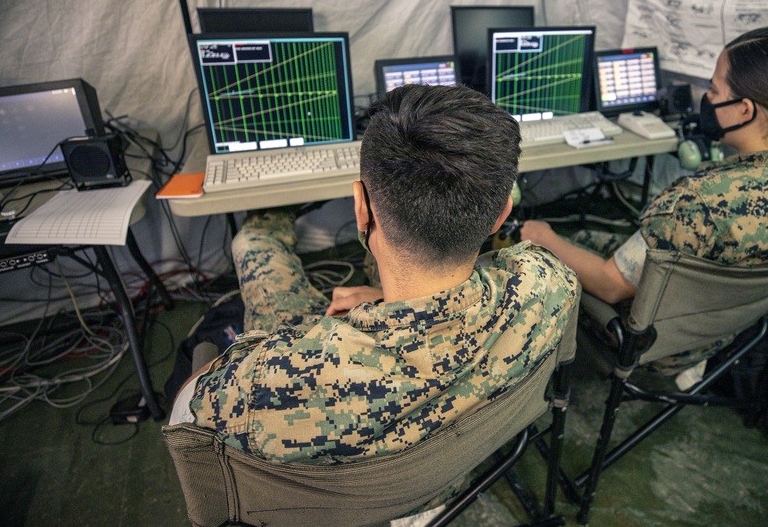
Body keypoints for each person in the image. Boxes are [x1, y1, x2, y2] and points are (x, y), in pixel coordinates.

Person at [175, 84, 580, 463]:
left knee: (252, 244)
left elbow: (183, 412)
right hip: (451, 470)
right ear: (501, 215)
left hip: (349, 494)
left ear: (361, 208)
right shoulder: (548, 281)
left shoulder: (272, 380)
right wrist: (382, 300)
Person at [521, 25, 768, 372]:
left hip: (652, 342)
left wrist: (542, 237)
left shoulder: (698, 201)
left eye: (714, 89)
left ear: (745, 110)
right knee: (582, 240)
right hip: (727, 327)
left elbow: (610, 287)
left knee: (549, 249)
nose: (708, 99)